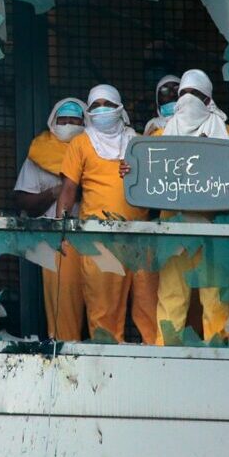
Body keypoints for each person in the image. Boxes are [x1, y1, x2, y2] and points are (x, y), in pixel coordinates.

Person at [56, 84, 158, 344]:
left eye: (108, 105)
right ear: (89, 111)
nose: (102, 109)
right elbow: (68, 190)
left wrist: (139, 171)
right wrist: (61, 230)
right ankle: (108, 368)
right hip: (99, 239)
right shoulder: (81, 143)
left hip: (141, 236)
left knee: (151, 309)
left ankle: (160, 360)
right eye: (96, 105)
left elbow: (159, 186)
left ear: (120, 108)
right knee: (103, 312)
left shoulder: (137, 143)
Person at [153, 69, 229, 344]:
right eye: (184, 94)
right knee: (171, 300)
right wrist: (131, 169)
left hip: (215, 234)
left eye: (196, 95)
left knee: (216, 300)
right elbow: (146, 174)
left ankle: (222, 355)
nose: (189, 100)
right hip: (174, 234)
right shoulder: (162, 137)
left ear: (208, 99)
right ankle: (165, 358)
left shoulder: (228, 135)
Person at [14, 98, 87, 341]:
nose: (68, 124)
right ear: (52, 123)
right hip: (56, 245)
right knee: (61, 305)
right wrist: (55, 193)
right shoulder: (40, 153)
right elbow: (23, 202)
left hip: (94, 240)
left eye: (75, 120)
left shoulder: (96, 150)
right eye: (63, 120)